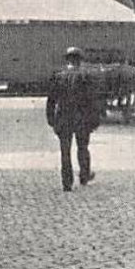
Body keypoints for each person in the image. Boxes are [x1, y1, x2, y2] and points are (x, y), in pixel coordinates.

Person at [46, 46, 100, 193]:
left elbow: (51, 100)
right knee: (83, 148)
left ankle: (66, 183)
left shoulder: (58, 76)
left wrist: (51, 118)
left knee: (65, 151)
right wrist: (94, 120)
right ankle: (84, 175)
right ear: (80, 61)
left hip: (63, 118)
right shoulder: (86, 77)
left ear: (67, 60)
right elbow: (92, 100)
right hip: (81, 118)